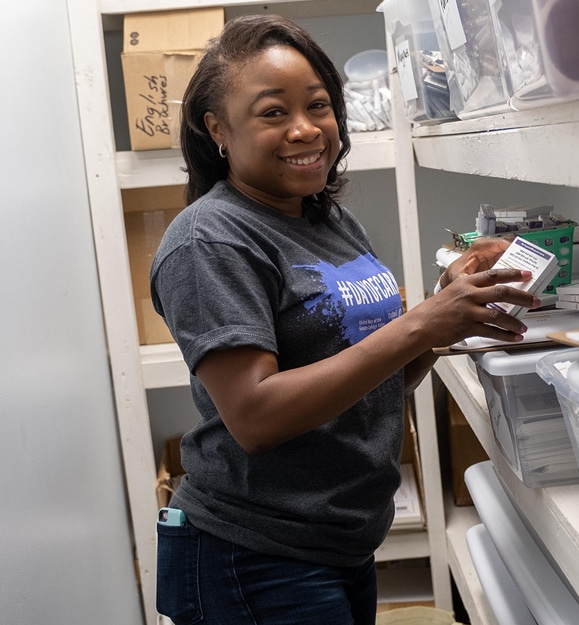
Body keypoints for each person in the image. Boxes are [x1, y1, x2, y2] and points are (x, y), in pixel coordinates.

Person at [150, 14, 538, 625]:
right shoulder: (209, 241)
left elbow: (369, 381)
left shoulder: (326, 219)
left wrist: (447, 311)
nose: (306, 129)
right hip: (253, 557)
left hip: (338, 544)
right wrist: (421, 324)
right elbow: (256, 416)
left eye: (319, 105)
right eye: (273, 112)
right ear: (218, 128)